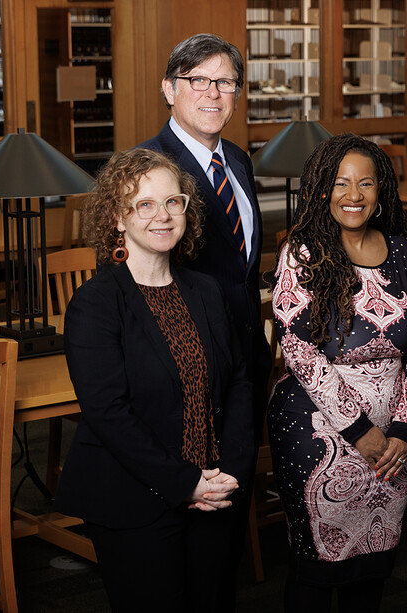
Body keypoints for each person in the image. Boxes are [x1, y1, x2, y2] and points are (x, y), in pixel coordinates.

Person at [55, 148, 255, 611]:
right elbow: (109, 415)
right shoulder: (96, 303)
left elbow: (240, 384)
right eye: (144, 205)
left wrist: (230, 475)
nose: (162, 216)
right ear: (117, 219)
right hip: (136, 500)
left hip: (215, 492)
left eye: (173, 202)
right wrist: (186, 483)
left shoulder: (206, 290)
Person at [268, 134, 407, 613]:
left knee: (373, 563)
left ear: (381, 192)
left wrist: (404, 430)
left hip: (396, 440)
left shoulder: (404, 250)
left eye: (365, 183)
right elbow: (299, 352)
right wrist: (362, 433)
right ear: (322, 190)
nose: (353, 194)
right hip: (317, 431)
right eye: (340, 183)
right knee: (317, 565)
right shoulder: (302, 253)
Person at [138, 33, 270, 441]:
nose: (213, 93)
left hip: (247, 359)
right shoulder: (147, 167)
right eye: (198, 80)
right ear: (169, 89)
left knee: (240, 482)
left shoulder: (237, 159)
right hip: (187, 366)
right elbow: (130, 280)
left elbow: (239, 266)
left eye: (225, 82)